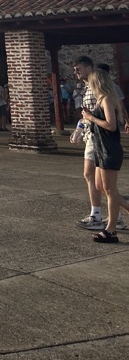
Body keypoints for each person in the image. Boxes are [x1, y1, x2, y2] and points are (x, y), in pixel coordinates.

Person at [73, 56, 125, 231]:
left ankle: (103, 216)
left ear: (89, 68)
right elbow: (86, 114)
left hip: (102, 140)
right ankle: (111, 216)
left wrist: (90, 120)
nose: (76, 72)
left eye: (78, 68)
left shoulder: (102, 94)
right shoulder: (89, 89)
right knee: (99, 183)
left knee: (104, 185)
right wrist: (80, 128)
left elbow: (108, 121)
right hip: (93, 135)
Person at [82, 68, 129, 242]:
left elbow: (111, 125)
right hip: (101, 148)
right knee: (101, 186)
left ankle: (111, 230)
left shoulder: (107, 99)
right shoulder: (100, 99)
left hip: (110, 148)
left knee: (109, 189)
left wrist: (91, 118)